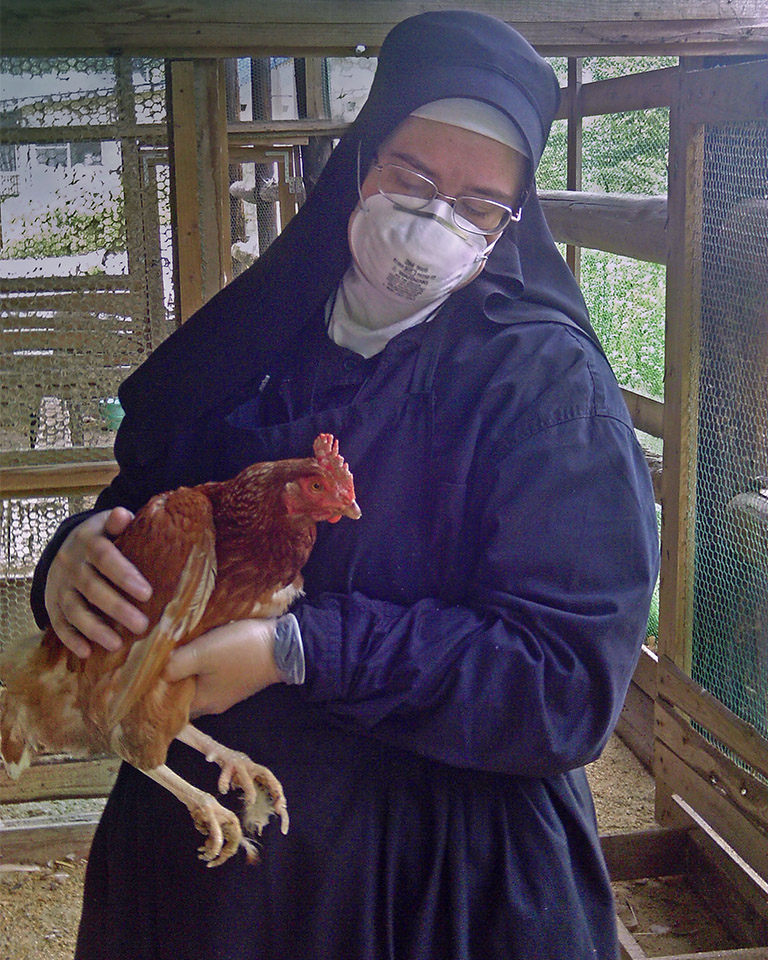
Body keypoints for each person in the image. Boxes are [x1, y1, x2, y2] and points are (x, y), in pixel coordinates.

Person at [31, 10, 659, 960]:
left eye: (480, 202)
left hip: (443, 879)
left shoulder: (542, 390)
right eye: (412, 175)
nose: (436, 216)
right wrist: (74, 558)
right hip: (224, 877)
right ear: (361, 159)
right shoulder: (251, 344)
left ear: (509, 224)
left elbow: (566, 683)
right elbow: (145, 503)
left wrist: (301, 649)